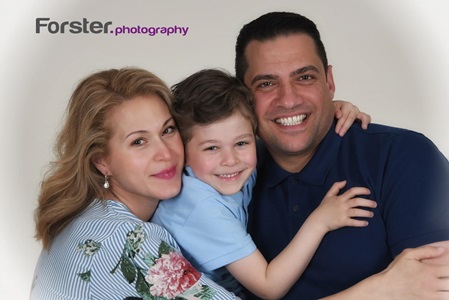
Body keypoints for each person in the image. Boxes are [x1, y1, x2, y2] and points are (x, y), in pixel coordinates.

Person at [235, 11, 449, 299]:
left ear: (330, 82)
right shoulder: (227, 178)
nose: (288, 99)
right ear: (242, 98)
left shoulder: (403, 156)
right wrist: (379, 288)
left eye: (305, 77)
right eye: (266, 84)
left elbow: (437, 288)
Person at [152, 68, 377, 299]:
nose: (231, 160)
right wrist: (321, 222)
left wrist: (331, 110)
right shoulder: (200, 207)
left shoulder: (226, 170)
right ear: (182, 151)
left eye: (241, 143)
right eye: (212, 148)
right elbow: (269, 286)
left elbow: (278, 137)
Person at [30, 67, 239, 300]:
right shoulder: (126, 239)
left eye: (168, 130)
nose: (165, 153)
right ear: (101, 161)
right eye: (139, 141)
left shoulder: (86, 218)